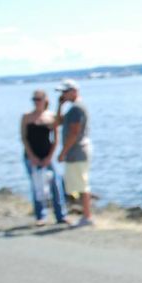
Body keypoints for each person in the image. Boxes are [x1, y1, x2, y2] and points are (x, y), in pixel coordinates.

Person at [20, 90, 67, 226]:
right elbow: (24, 138)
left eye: (39, 99)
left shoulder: (51, 116)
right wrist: (31, 156)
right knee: (37, 186)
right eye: (34, 99)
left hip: (47, 155)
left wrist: (49, 157)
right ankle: (40, 216)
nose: (36, 102)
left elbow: (56, 138)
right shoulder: (26, 117)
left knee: (56, 185)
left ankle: (61, 215)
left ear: (45, 100)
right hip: (31, 156)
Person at [55, 79, 94, 227]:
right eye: (62, 92)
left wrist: (63, 152)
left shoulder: (77, 108)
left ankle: (87, 216)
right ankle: (85, 215)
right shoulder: (73, 109)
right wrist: (60, 105)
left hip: (77, 151)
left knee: (82, 185)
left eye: (65, 92)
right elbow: (58, 122)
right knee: (79, 184)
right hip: (76, 151)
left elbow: (74, 133)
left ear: (74, 91)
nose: (63, 95)